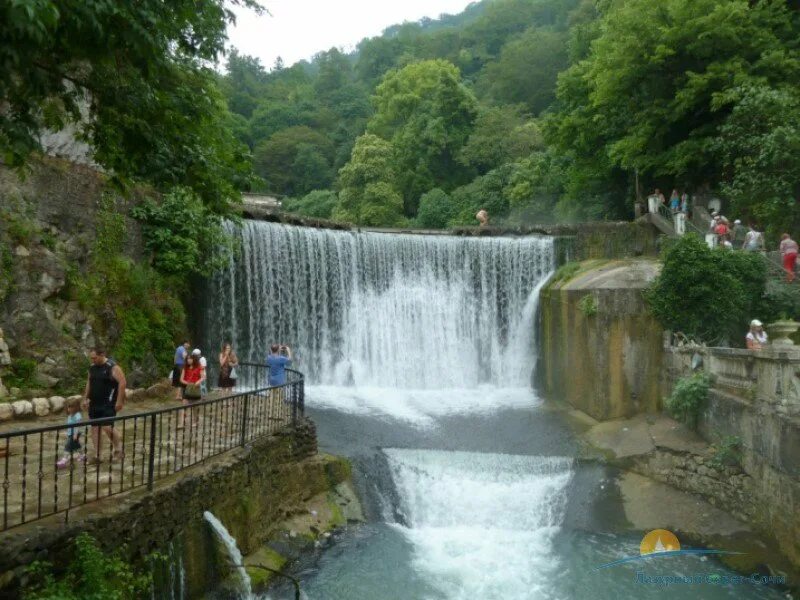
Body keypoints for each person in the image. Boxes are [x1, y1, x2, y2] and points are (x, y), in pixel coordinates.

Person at [83, 348, 125, 464]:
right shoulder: (92, 368)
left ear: (102, 355)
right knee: (95, 428)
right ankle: (97, 455)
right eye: (91, 358)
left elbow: (122, 382)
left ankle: (118, 450)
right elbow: (89, 383)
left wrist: (119, 401)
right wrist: (85, 398)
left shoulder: (112, 367)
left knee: (107, 427)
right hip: (95, 402)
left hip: (109, 402)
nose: (93, 360)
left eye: (95, 358)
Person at [56, 398, 85, 469]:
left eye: (72, 407)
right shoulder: (70, 415)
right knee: (76, 445)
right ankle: (82, 456)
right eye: (69, 407)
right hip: (70, 433)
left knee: (68, 446)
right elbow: (69, 425)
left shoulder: (77, 415)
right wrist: (67, 433)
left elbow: (78, 425)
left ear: (76, 407)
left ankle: (64, 459)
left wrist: (75, 434)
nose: (70, 409)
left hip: (75, 433)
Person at [179, 354, 205, 428]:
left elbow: (203, 377)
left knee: (195, 407)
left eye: (190, 359)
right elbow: (181, 379)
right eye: (187, 359)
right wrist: (188, 383)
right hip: (187, 388)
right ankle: (181, 423)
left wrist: (198, 382)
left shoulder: (199, 367)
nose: (189, 360)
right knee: (184, 406)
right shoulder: (185, 367)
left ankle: (195, 421)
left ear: (194, 359)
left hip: (195, 389)